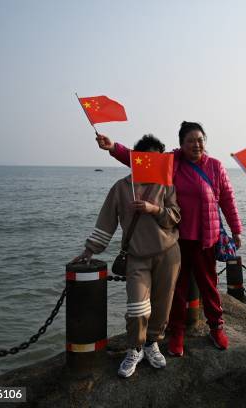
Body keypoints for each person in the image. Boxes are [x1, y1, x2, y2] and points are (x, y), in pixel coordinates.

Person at [95, 121, 242, 356]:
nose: (197, 144)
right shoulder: (173, 163)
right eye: (191, 141)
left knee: (209, 286)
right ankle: (177, 333)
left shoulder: (215, 166)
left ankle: (216, 327)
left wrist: (236, 230)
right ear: (181, 145)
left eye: (200, 140)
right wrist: (114, 147)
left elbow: (227, 199)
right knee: (177, 290)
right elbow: (143, 160)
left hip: (206, 238)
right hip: (179, 239)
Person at [73, 134, 181, 378]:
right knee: (137, 307)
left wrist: (155, 209)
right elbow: (107, 221)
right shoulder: (122, 187)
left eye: (157, 158)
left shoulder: (166, 184)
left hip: (168, 253)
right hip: (137, 256)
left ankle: (152, 343)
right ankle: (135, 348)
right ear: (137, 159)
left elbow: (175, 216)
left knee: (163, 306)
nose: (152, 162)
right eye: (147, 157)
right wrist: (90, 249)